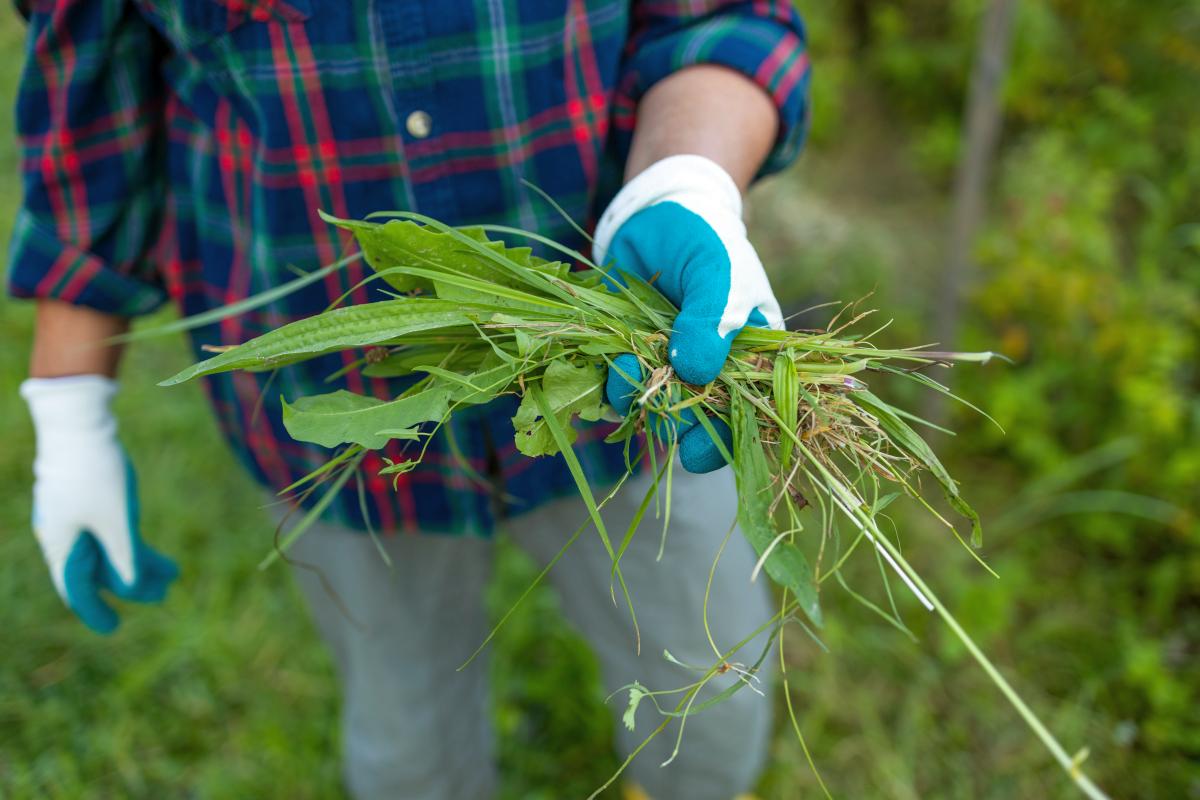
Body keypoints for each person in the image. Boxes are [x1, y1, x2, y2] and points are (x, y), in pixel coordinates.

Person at [11, 1, 809, 797]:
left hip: (629, 375)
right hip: (345, 410)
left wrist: (684, 182)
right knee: (409, 744)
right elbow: (92, 144)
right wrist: (71, 411)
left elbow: (718, 22)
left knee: (711, 690)